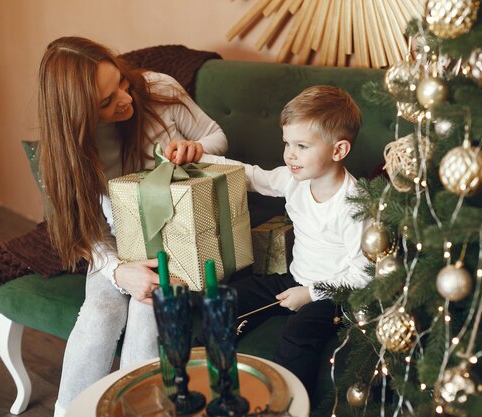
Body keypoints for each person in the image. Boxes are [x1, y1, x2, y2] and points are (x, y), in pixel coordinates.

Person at [37, 36, 228, 416]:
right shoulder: (69, 150)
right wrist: (118, 271)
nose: (124, 99)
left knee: (146, 310)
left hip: (181, 240)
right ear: (76, 115)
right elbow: (86, 230)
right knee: (100, 312)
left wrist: (197, 149)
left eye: (121, 84)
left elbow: (218, 136)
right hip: (117, 245)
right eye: (105, 102)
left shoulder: (159, 89)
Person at [198, 85, 372, 396]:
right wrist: (201, 156)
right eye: (287, 143)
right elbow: (250, 176)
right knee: (226, 298)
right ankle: (203, 373)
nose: (290, 154)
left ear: (338, 151)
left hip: (334, 295)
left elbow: (363, 274)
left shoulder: (354, 205)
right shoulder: (294, 179)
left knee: (297, 335)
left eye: (302, 145)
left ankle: (290, 404)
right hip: (295, 278)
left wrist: (310, 293)